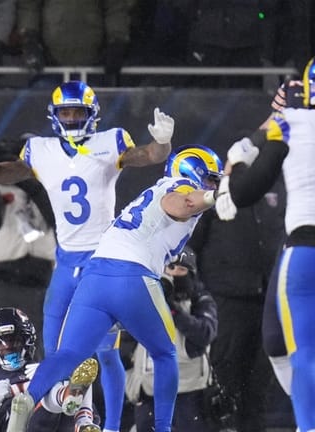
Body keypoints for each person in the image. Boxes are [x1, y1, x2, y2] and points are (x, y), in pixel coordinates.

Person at [0, 80, 175, 432]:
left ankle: (109, 425)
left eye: (78, 112)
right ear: (55, 116)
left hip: (103, 263)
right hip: (66, 263)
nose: (72, 118)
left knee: (104, 352)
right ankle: (58, 418)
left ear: (92, 115)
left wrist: (162, 142)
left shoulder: (110, 142)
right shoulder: (40, 150)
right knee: (56, 353)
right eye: (66, 112)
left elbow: (148, 155)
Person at [1, 144, 225, 432]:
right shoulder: (179, 186)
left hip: (94, 277)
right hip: (133, 278)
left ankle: (28, 400)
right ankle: (162, 428)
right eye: (209, 179)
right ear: (191, 172)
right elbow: (180, 202)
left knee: (67, 354)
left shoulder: (153, 192)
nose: (213, 185)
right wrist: (210, 196)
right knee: (165, 354)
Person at [212, 59, 313, 431]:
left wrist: (232, 169)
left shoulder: (292, 125)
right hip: (294, 253)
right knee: (275, 340)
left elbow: (243, 187)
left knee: (300, 351)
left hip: (306, 251)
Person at [187, 136, 286, 431]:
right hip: (225, 302)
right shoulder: (212, 194)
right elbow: (192, 246)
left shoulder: (274, 190)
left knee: (258, 388)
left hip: (265, 300)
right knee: (222, 384)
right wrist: (196, 294)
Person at [0, 134, 56, 370]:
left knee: (36, 349)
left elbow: (56, 220)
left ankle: (36, 403)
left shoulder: (51, 188)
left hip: (38, 283)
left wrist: (31, 184)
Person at [125, 247, 218, 432]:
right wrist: (132, 382)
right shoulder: (143, 297)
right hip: (150, 390)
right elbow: (125, 338)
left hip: (191, 391)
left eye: (181, 269)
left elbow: (205, 334)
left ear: (191, 273)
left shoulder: (201, 300)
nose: (174, 274)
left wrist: (174, 310)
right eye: (170, 268)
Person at [0, 307, 101, 432]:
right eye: (0, 343)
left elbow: (87, 408)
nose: (8, 348)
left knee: (66, 375)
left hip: (58, 425)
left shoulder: (41, 368)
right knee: (52, 381)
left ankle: (77, 415)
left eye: (15, 340)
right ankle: (63, 397)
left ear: (27, 341)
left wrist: (48, 374)